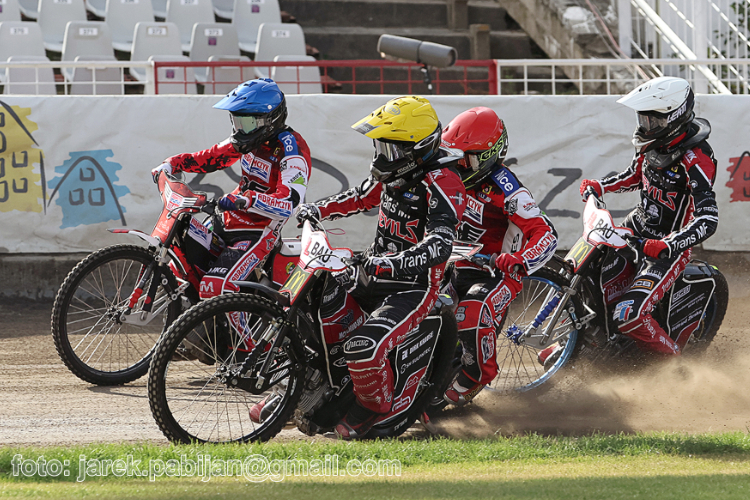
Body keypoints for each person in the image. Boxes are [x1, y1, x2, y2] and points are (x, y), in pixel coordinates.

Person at [295, 95, 466, 439]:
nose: (381, 156)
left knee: (363, 345)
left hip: (415, 289)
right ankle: (301, 394)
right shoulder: (393, 171)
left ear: (418, 149)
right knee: (316, 309)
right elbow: (360, 196)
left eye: (390, 149)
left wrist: (388, 263)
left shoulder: (444, 182)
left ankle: (373, 408)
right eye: (380, 147)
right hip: (372, 272)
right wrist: (318, 209)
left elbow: (440, 245)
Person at [578, 76, 718, 355]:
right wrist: (601, 185)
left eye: (652, 121)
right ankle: (580, 342)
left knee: (628, 313)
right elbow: (634, 177)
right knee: (585, 272)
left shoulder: (696, 158)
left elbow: (708, 219)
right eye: (643, 119)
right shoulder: (650, 144)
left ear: (673, 117)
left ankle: (677, 365)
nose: (645, 126)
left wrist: (668, 245)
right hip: (634, 229)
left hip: (667, 249)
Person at [151, 78, 311, 301]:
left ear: (269, 119)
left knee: (214, 287)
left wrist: (248, 200)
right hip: (225, 218)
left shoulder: (291, 148)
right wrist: (172, 163)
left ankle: (248, 338)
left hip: (258, 231)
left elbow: (289, 203)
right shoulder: (247, 140)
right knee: (180, 270)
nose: (239, 130)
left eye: (245, 123)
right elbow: (211, 157)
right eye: (236, 121)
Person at [439, 107, 558, 405]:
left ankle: (479, 374)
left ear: (490, 154)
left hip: (497, 274)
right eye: (454, 156)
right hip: (455, 264)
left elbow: (546, 233)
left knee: (472, 312)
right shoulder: (445, 177)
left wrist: (520, 260)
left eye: (467, 159)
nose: (459, 164)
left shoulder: (507, 189)